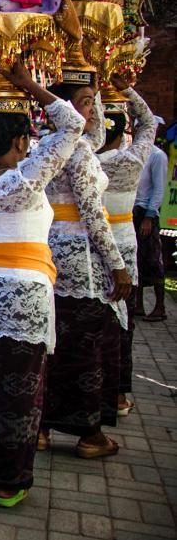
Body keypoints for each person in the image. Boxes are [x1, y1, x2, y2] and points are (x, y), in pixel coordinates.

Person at [0, 62, 84, 508]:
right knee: (20, 387)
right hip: (24, 292)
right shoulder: (28, 177)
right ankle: (8, 481)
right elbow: (74, 124)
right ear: (25, 140)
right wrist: (29, 87)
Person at [40, 73, 132, 458]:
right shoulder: (75, 151)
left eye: (93, 100)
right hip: (82, 259)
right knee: (85, 349)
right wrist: (118, 265)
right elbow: (94, 215)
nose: (92, 109)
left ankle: (42, 426)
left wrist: (97, 78)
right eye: (83, 100)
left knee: (54, 345)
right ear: (63, 108)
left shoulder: (49, 146)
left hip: (53, 255)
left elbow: (93, 137)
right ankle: (89, 433)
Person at [95, 76, 158, 417]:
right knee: (122, 320)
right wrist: (127, 90)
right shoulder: (132, 161)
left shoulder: (87, 161)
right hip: (123, 243)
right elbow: (149, 122)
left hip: (93, 242)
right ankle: (118, 395)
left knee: (95, 319)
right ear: (122, 133)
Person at [133, 134, 168, 322]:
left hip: (147, 212)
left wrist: (149, 215)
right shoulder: (136, 153)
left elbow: (159, 188)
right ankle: (138, 304)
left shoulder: (157, 156)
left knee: (153, 259)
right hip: (133, 210)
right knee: (137, 259)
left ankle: (160, 305)